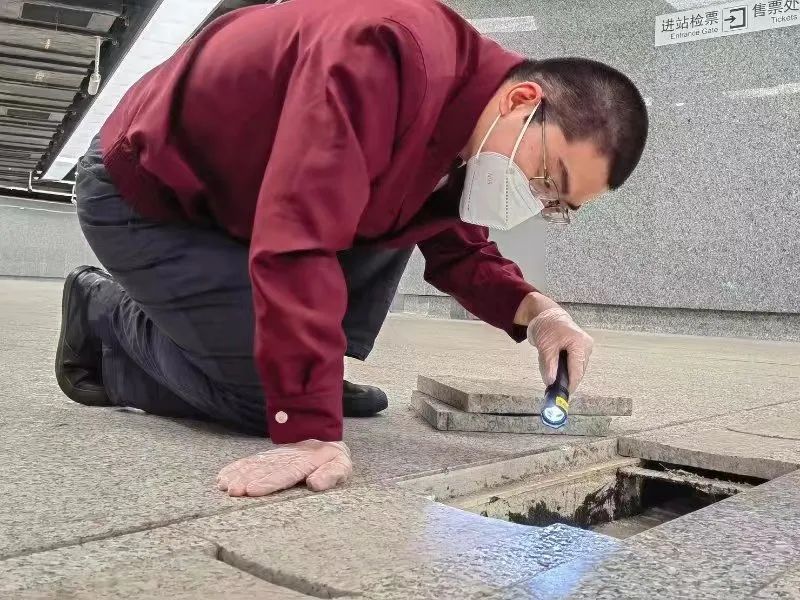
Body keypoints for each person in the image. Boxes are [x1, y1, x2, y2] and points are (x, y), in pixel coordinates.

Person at [56, 0, 648, 497]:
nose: (536, 201)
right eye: (547, 178)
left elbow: (455, 244)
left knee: (402, 221)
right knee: (267, 402)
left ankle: (281, 361)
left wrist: (540, 315)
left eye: (556, 204)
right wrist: (307, 428)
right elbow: (299, 232)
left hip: (242, 202)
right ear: (521, 101)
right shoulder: (383, 54)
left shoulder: (471, 123)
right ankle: (106, 322)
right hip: (150, 192)